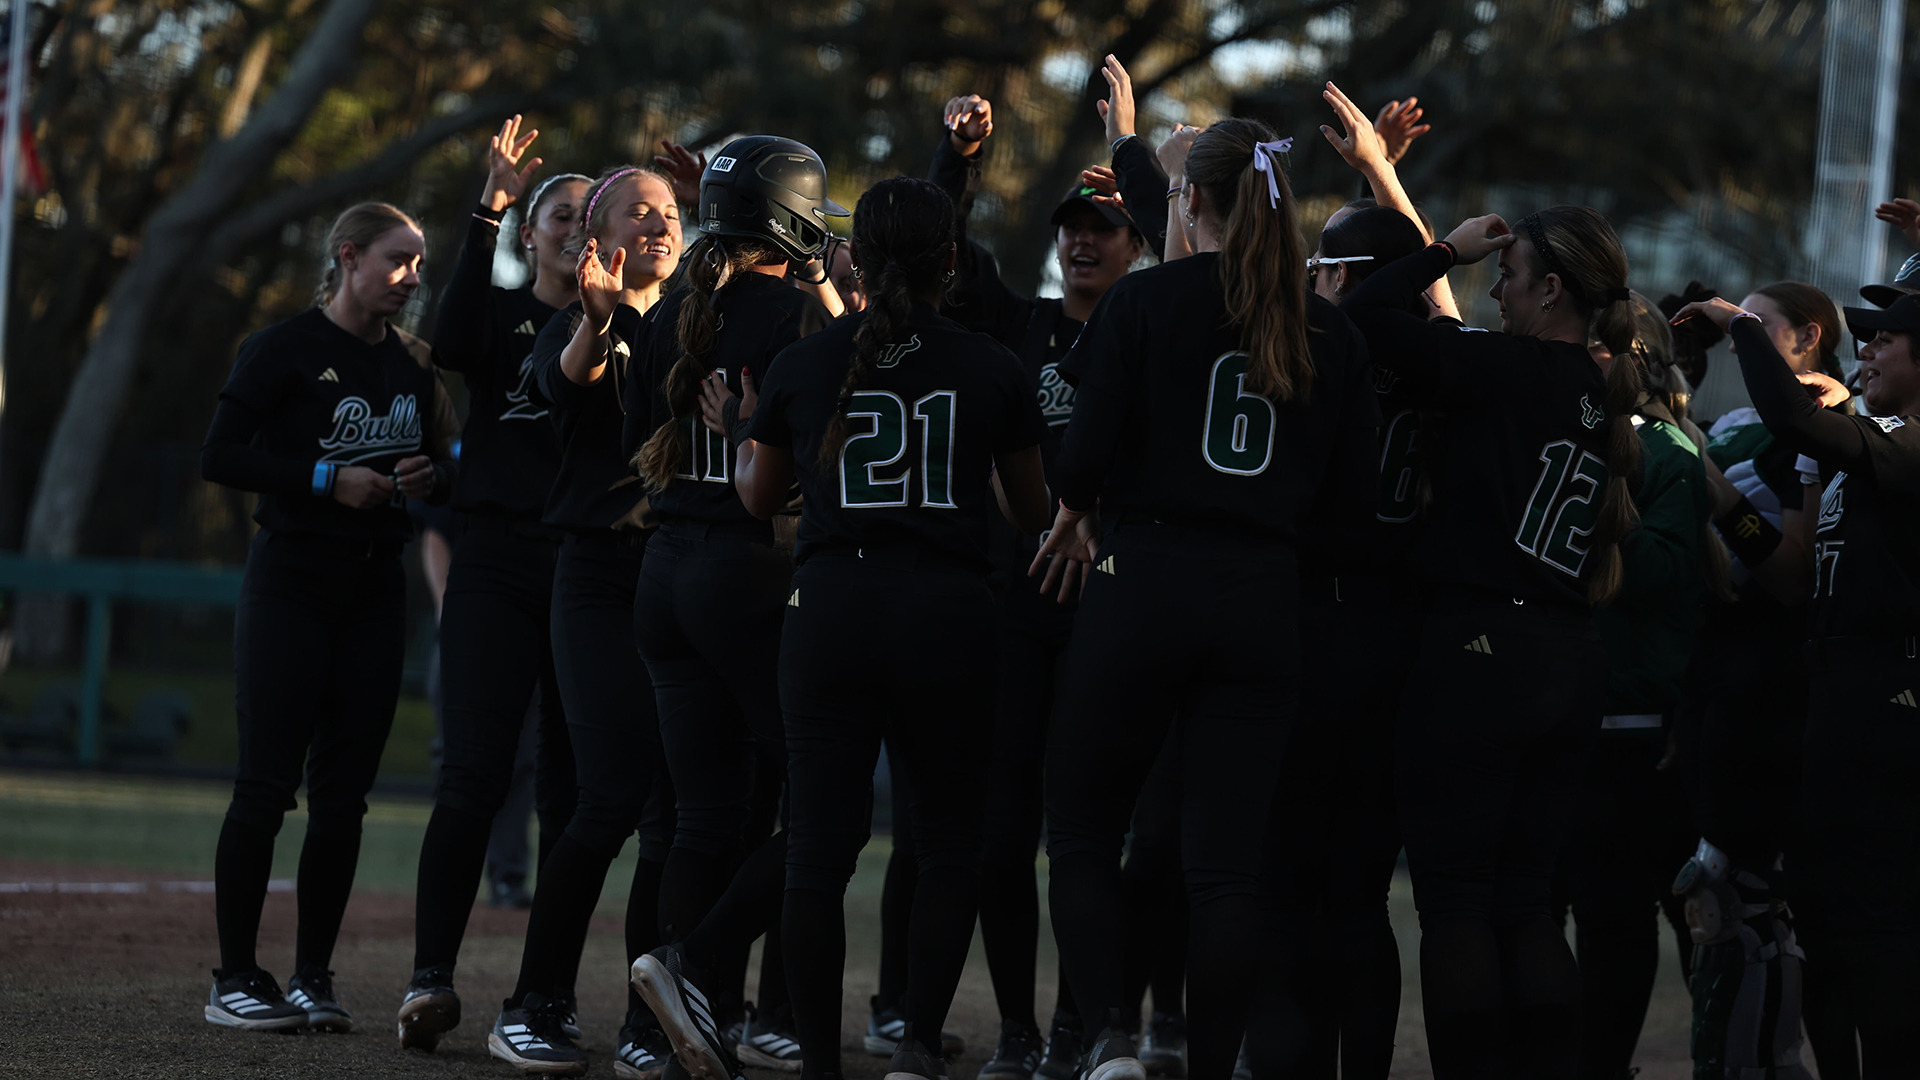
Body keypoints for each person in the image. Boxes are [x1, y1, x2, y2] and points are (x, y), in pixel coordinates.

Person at [1035, 117, 1378, 1080]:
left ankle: (1107, 1037)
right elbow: (1352, 512)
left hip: (1144, 578)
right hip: (1263, 596)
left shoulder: (1144, 306)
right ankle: (1207, 1060)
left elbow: (1082, 459)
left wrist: (1080, 505)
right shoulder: (1329, 329)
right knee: (1227, 867)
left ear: (1192, 203)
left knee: (1082, 828)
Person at [688, 174, 1050, 1080]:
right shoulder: (991, 364)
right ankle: (916, 1047)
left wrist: (741, 432)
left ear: (856, 260)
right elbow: (1030, 507)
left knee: (816, 847)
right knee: (948, 845)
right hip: (948, 614)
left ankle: (818, 1063)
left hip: (833, 612)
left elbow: (761, 499)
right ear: (952, 262)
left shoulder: (806, 363)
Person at [1342, 204, 1644, 1077]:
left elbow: (1356, 317)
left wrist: (1440, 249)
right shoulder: (1604, 389)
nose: (1496, 290)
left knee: (1460, 906)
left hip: (1479, 651)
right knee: (1528, 907)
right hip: (1569, 657)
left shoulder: (1507, 368)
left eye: (1508, 277)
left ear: (1552, 288)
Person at [919, 85, 1156, 1080]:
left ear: (1138, 241)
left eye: (1105, 227)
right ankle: (1021, 1028)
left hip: (1112, 615)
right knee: (1001, 836)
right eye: (1073, 227)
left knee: (1092, 836)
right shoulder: (1016, 325)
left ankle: (1086, 1024)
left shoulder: (1154, 332)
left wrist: (1134, 150)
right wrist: (958, 156)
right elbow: (939, 247)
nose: (1084, 241)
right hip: (1014, 610)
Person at [199, 201, 458, 1033]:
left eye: (418, 264)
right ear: (347, 257)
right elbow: (222, 455)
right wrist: (323, 479)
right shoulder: (283, 349)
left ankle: (313, 976)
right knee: (267, 788)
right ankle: (235, 977)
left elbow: (452, 472)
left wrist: (429, 479)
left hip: (376, 592)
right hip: (292, 585)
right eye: (397, 261)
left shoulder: (417, 366)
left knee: (343, 799)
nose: (411, 279)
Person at [623, 135, 842, 1078]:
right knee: (823, 803)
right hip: (745, 574)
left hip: (664, 571)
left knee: (703, 818)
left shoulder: (677, 307)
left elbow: (634, 434)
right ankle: (697, 966)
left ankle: (678, 1024)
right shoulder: (797, 313)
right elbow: (828, 462)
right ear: (792, 216)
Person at [1673, 287, 1920, 1076]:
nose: (1869, 348)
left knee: (1881, 937)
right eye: (1868, 336)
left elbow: (1793, 417)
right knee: (1822, 924)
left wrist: (1738, 324)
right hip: (1831, 696)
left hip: (1891, 696)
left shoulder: (1909, 440)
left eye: (1889, 339)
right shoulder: (1855, 438)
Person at [486, 164, 684, 1078]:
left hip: (684, 581)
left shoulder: (699, 327)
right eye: (636, 211)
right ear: (592, 239)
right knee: (611, 796)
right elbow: (575, 382)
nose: (659, 223)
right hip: (598, 579)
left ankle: (652, 1018)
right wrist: (602, 318)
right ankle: (534, 1002)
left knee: (676, 811)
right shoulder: (574, 327)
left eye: (671, 212)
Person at [400, 115, 588, 1052]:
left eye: (588, 212)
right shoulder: (505, 312)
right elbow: (448, 336)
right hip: (494, 560)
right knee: (472, 775)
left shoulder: (629, 327)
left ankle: (541, 996)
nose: (571, 221)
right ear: (532, 230)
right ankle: (429, 980)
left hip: (587, 570)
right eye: (558, 210)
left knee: (568, 791)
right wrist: (492, 209)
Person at [1673, 282, 1845, 1079]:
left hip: (1770, 680)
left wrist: (1714, 488)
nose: (1740, 339)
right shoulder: (1740, 422)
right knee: (1704, 894)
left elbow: (1791, 578)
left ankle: (1773, 1062)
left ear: (1806, 338)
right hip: (1708, 671)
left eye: (1756, 327)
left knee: (1746, 902)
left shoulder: (1821, 425)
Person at [1562, 295, 1720, 1080]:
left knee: (1648, 921)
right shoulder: (1576, 434)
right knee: (1592, 917)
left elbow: (1659, 574)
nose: (1582, 357)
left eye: (1598, 346)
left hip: (1641, 728)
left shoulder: (1667, 450)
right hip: (1581, 717)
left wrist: (1590, 512)